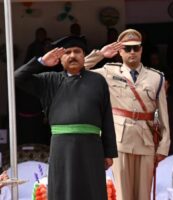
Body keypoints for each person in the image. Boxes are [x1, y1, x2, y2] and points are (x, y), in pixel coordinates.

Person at [15, 35, 118, 200]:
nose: (72, 56)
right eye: (67, 52)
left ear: (84, 56)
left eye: (77, 51)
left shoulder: (98, 81)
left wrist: (109, 152)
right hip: (62, 147)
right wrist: (41, 61)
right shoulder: (49, 81)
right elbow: (17, 78)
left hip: (91, 147)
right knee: (64, 190)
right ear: (60, 59)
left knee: (92, 190)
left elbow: (106, 117)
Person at [84, 28, 170, 200]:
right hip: (119, 141)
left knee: (143, 194)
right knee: (123, 194)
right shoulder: (109, 71)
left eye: (136, 48)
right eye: (127, 48)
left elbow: (163, 115)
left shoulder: (156, 77)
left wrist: (163, 146)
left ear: (141, 50)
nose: (132, 52)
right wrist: (101, 54)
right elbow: (79, 68)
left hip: (146, 140)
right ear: (120, 51)